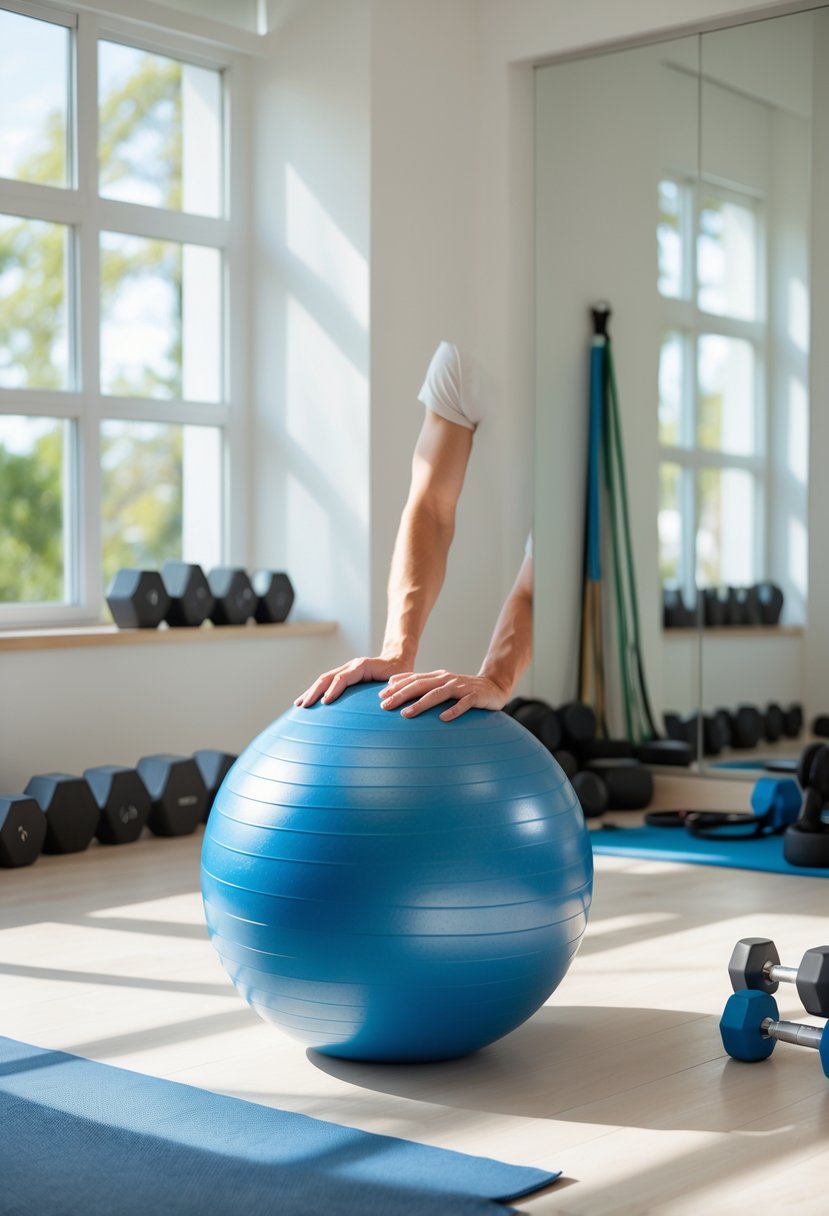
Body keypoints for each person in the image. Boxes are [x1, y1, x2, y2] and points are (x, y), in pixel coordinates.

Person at [295, 341, 533, 721]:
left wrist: (496, 680)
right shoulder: (464, 359)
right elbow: (432, 509)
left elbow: (536, 585)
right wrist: (397, 652)